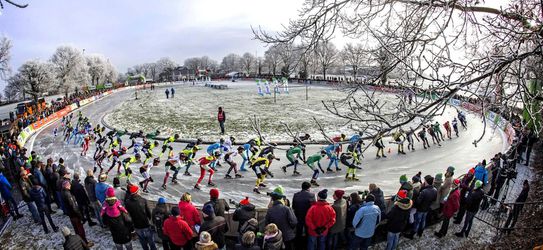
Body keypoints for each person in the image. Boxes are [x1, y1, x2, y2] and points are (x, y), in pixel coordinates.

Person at [61, 180, 94, 247]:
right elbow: (73, 207)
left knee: (76, 229)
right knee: (80, 230)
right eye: (69, 185)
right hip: (75, 215)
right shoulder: (68, 194)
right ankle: (85, 243)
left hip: (71, 215)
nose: (70, 186)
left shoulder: (63, 192)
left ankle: (80, 241)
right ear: (66, 186)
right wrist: (81, 216)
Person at [124, 185, 157, 250]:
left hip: (136, 225)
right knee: (150, 240)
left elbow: (128, 216)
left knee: (142, 240)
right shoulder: (143, 200)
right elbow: (149, 213)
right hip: (145, 224)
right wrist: (149, 220)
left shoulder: (127, 203)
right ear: (136, 192)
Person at [292, 181, 316, 249]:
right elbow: (313, 207)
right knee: (308, 231)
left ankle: (297, 246)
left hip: (298, 216)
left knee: (298, 231)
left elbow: (293, 206)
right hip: (308, 217)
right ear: (309, 188)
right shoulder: (312, 195)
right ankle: (306, 245)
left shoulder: (296, 195)